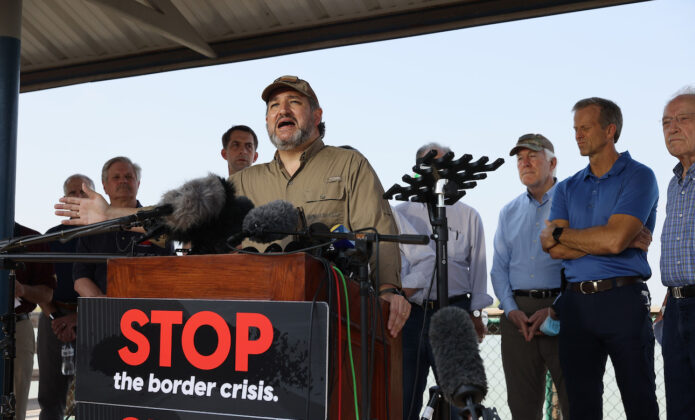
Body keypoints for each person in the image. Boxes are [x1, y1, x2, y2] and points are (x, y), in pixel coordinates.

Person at [55, 76, 410, 337]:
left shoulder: (348, 164)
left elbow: (376, 231)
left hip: (331, 318)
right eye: (274, 106)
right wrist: (108, 216)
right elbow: (176, 218)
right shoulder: (243, 182)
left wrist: (389, 291)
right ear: (269, 122)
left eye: (294, 103)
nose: (282, 110)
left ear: (316, 115)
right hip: (254, 325)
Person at [539, 97, 659, 420]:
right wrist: (608, 239)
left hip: (623, 299)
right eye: (575, 128)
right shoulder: (566, 188)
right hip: (576, 305)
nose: (577, 135)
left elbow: (613, 239)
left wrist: (566, 234)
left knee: (640, 402)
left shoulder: (640, 177)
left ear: (610, 130)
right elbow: (553, 248)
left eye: (585, 127)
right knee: (581, 409)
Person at [395, 143, 492, 420]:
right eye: (428, 165)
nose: (435, 172)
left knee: (461, 397)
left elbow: (479, 267)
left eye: (440, 165)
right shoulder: (401, 213)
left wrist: (475, 313)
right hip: (412, 314)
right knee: (405, 394)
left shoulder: (469, 215)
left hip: (455, 309)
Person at [491, 134, 569, 420]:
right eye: (520, 158)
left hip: (562, 311)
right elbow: (498, 268)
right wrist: (510, 310)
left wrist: (557, 308)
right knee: (522, 409)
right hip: (517, 319)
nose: (525, 163)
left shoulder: (571, 202)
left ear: (553, 162)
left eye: (532, 156)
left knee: (576, 402)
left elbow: (582, 263)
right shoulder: (508, 212)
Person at [658, 87, 695, 419]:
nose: (672, 128)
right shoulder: (675, 182)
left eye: (683, 119)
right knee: (681, 408)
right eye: (666, 122)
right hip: (675, 309)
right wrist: (669, 298)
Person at [38, 174, 94, 420]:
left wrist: (79, 317)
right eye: (73, 193)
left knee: (94, 396)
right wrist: (54, 317)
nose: (79, 197)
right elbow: (39, 284)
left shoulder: (107, 236)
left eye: (84, 192)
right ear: (65, 199)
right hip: (53, 319)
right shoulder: (48, 238)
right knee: (51, 400)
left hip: (95, 320)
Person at [72, 157, 171, 297]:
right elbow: (81, 278)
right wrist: (104, 304)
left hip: (151, 309)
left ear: (138, 183)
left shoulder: (158, 220)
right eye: (116, 177)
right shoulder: (91, 228)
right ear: (104, 186)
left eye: (128, 176)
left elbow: (170, 268)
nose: (123, 181)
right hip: (105, 311)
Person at [12, 222, 56, 420]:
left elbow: (47, 294)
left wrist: (23, 290)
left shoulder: (33, 240)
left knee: (15, 407)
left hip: (17, 328)